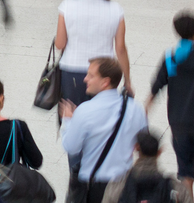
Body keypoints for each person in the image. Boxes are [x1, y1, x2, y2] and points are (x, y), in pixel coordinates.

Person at [144, 10, 194, 191]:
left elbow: (154, 90)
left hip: (179, 127)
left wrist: (144, 115)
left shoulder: (170, 59)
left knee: (186, 175)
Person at [60, 57, 141, 203]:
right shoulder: (135, 108)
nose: (85, 79)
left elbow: (71, 147)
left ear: (105, 82)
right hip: (125, 184)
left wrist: (69, 121)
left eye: (91, 75)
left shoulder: (85, 111)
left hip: (95, 188)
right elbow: (140, 143)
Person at [54, 0, 131, 109]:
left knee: (71, 119)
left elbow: (60, 44)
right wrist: (127, 80)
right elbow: (120, 49)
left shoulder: (67, 6)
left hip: (72, 71)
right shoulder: (116, 9)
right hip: (104, 73)